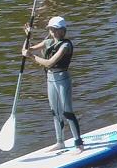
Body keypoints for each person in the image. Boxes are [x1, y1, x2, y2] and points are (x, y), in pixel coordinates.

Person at [24, 16, 82, 149]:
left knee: (67, 112)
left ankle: (79, 144)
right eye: (51, 29)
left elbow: (50, 63)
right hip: (50, 79)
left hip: (62, 79)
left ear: (63, 30)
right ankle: (60, 142)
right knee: (55, 112)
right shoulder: (48, 42)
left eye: (56, 29)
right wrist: (28, 36)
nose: (53, 32)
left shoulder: (66, 46)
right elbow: (26, 50)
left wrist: (31, 56)